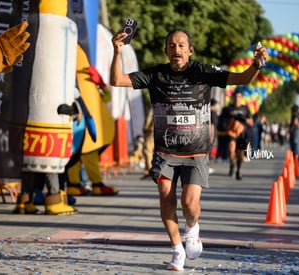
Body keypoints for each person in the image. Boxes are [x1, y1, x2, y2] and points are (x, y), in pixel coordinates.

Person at [110, 29, 267, 271]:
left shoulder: (203, 72)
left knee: (189, 204)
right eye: (171, 46)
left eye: (181, 45)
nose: (176, 50)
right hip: (165, 153)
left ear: (190, 50)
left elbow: (242, 79)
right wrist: (117, 51)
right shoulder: (155, 75)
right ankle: (176, 250)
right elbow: (117, 80)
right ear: (166, 51)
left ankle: (192, 229)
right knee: (166, 199)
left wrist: (256, 64)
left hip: (196, 153)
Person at [226, 90, 253, 180]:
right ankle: (231, 164)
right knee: (231, 149)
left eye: (239, 97)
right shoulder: (229, 109)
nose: (237, 99)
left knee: (239, 154)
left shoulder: (245, 109)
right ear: (233, 98)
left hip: (242, 134)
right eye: (236, 97)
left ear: (241, 98)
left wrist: (244, 119)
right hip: (232, 133)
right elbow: (223, 120)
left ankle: (238, 170)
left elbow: (251, 122)